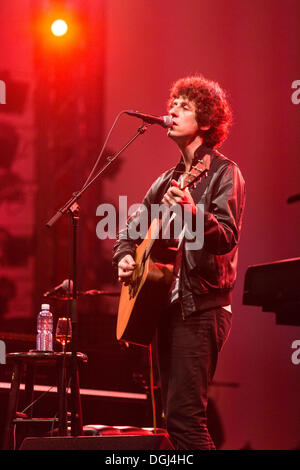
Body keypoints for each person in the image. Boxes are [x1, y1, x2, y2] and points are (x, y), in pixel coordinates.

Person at [113, 75, 246, 450]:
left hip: (201, 309)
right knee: (171, 423)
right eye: (172, 104)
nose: (170, 111)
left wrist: (193, 211)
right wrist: (125, 257)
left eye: (183, 107)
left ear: (205, 122)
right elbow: (128, 233)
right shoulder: (166, 181)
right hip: (166, 309)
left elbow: (226, 238)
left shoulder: (222, 173)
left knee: (187, 422)